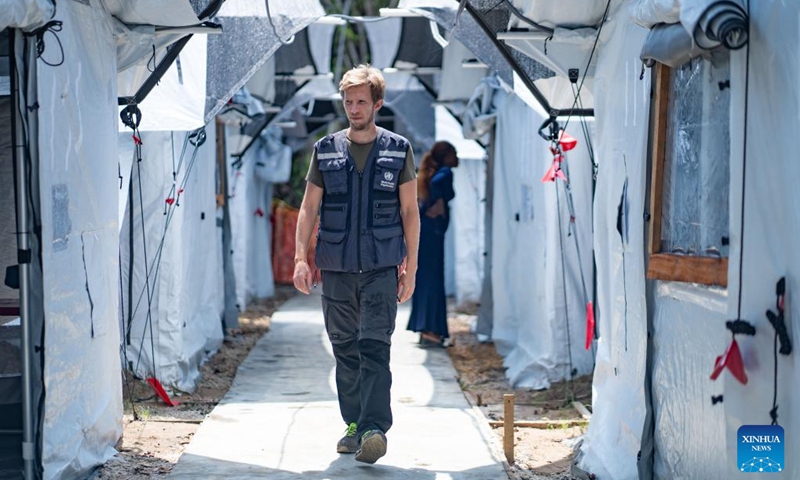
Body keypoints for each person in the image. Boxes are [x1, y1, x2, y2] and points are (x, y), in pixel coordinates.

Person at [292, 65, 420, 465]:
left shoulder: (398, 149)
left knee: (375, 348)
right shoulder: (326, 149)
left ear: (377, 103)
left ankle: (374, 428)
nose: (353, 108)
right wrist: (300, 258)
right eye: (348, 101)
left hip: (382, 268)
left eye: (361, 101)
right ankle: (354, 425)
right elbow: (309, 206)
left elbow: (410, 211)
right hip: (336, 269)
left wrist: (411, 268)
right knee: (345, 350)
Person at [406, 141, 458, 347]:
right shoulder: (445, 172)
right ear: (445, 156)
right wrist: (437, 206)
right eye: (454, 153)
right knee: (434, 278)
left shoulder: (431, 173)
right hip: (434, 232)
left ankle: (426, 327)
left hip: (427, 231)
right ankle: (432, 330)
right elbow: (437, 186)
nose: (457, 158)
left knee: (425, 277)